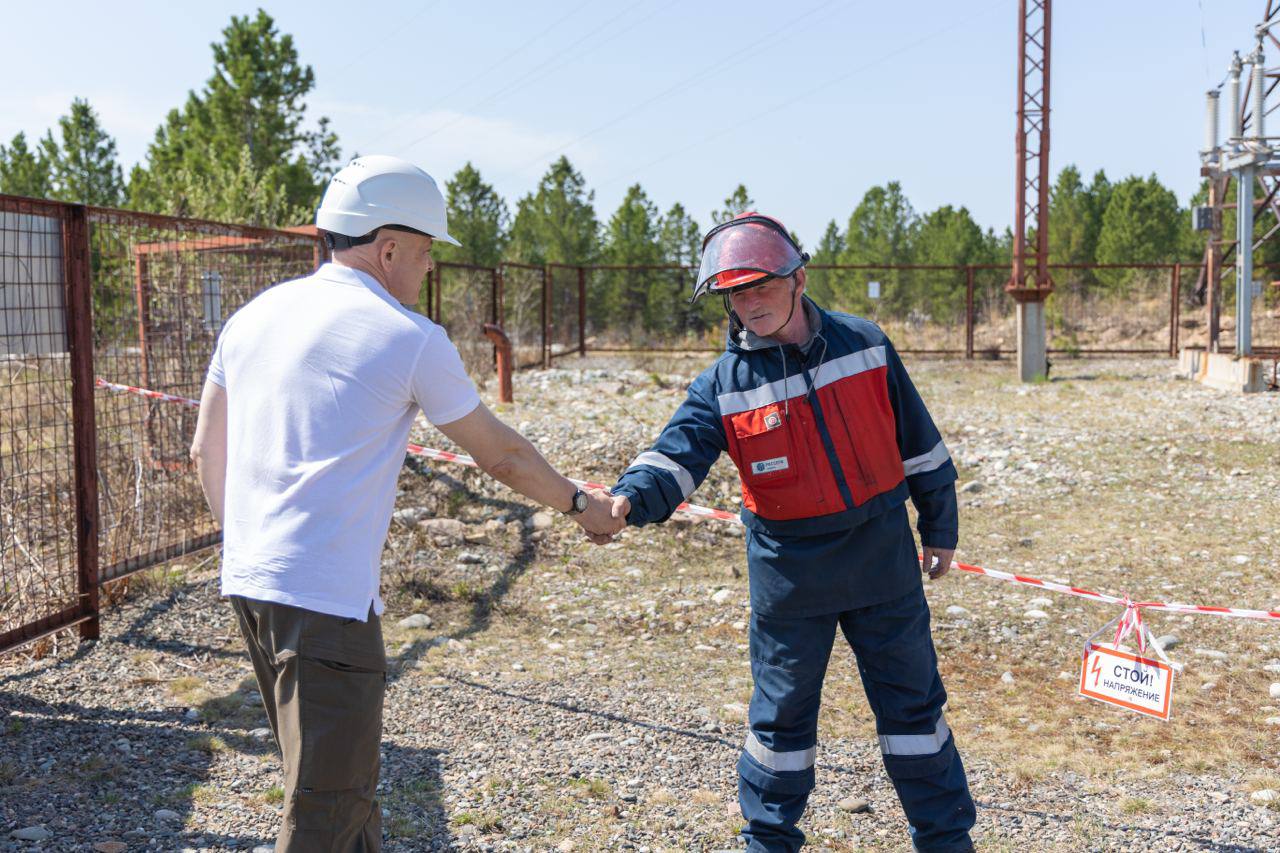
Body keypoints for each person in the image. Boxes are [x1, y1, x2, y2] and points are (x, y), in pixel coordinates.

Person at [189, 155, 623, 852]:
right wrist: (580, 503)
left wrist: (248, 548)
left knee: (338, 787)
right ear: (387, 248)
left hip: (250, 584)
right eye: (424, 255)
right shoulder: (406, 336)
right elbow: (500, 454)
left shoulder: (252, 317)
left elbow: (206, 450)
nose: (426, 272)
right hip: (326, 601)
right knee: (324, 810)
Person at [608, 213, 976, 852]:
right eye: (734, 294)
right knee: (780, 730)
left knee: (915, 717)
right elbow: (674, 456)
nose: (748, 304)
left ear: (798, 278)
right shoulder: (722, 386)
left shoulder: (865, 343)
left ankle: (946, 842)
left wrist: (939, 525)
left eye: (760, 287)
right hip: (791, 583)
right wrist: (623, 502)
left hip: (883, 566)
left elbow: (919, 443)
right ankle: (768, 842)